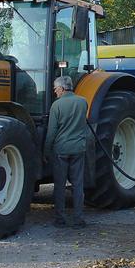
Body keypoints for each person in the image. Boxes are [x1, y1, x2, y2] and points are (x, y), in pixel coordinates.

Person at [45, 75, 88, 228]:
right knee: (77, 185)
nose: (55, 92)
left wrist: (46, 151)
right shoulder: (83, 102)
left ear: (62, 89)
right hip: (78, 149)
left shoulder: (56, 105)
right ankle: (78, 219)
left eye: (56, 89)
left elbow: (51, 132)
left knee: (60, 185)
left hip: (61, 150)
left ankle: (60, 219)